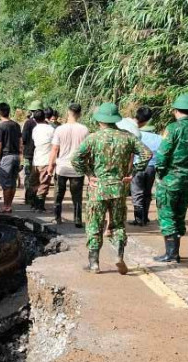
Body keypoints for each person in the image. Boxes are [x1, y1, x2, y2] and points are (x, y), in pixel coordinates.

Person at [72, 103, 152, 274]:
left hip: (97, 188)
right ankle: (119, 255)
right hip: (119, 188)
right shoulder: (128, 137)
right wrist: (133, 172)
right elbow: (147, 154)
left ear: (100, 120)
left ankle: (94, 263)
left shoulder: (93, 138)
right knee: (117, 225)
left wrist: (88, 174)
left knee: (94, 225)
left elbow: (76, 158)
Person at [153, 94, 188, 263]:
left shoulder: (172, 128)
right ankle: (174, 252)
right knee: (179, 215)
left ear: (175, 111)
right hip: (187, 180)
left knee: (167, 214)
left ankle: (171, 253)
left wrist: (161, 172)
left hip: (170, 179)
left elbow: (163, 153)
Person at [48, 103, 89, 227]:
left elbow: (55, 149)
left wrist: (50, 165)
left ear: (68, 113)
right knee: (77, 196)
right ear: (80, 114)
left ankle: (57, 217)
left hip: (62, 168)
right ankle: (77, 220)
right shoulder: (84, 130)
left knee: (58, 194)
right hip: (77, 168)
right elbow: (87, 150)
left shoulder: (60, 129)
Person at [130, 107, 162, 226]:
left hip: (138, 167)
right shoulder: (159, 138)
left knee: (137, 192)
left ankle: (138, 219)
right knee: (147, 192)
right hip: (152, 168)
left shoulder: (136, 135)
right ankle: (145, 217)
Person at [0, 103, 22, 213]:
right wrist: (21, 156)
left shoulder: (0, 126)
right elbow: (20, 143)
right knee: (13, 182)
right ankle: (9, 205)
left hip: (6, 157)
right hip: (16, 156)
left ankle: (5, 206)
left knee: (6, 184)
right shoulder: (16, 125)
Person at [29, 108, 55, 211]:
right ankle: (40, 206)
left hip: (36, 160)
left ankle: (34, 204)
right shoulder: (51, 129)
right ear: (45, 118)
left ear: (34, 119)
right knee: (44, 183)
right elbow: (54, 145)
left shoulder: (35, 129)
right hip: (46, 160)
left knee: (35, 182)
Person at [22, 100, 43, 207]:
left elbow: (24, 139)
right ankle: (35, 198)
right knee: (37, 176)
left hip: (29, 153)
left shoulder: (28, 123)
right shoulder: (45, 124)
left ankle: (28, 198)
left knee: (28, 176)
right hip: (40, 154)